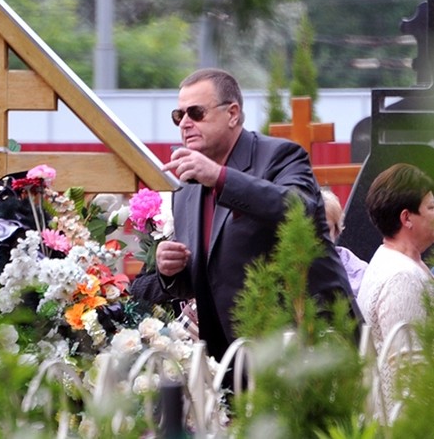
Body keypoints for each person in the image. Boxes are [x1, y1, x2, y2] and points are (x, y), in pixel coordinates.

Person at [154, 68, 360, 363]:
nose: (185, 123)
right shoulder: (186, 189)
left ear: (232, 114)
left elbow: (300, 210)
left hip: (306, 347)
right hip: (231, 358)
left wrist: (221, 178)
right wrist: (170, 269)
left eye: (196, 113)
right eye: (179, 116)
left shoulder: (281, 156)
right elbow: (212, 277)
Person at [356, 163, 434, 418]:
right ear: (407, 218)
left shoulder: (396, 260)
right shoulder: (402, 277)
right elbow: (411, 371)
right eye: (431, 207)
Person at [321, 188, 368, 297]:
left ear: (336, 231)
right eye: (312, 228)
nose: (319, 236)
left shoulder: (357, 272)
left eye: (325, 229)